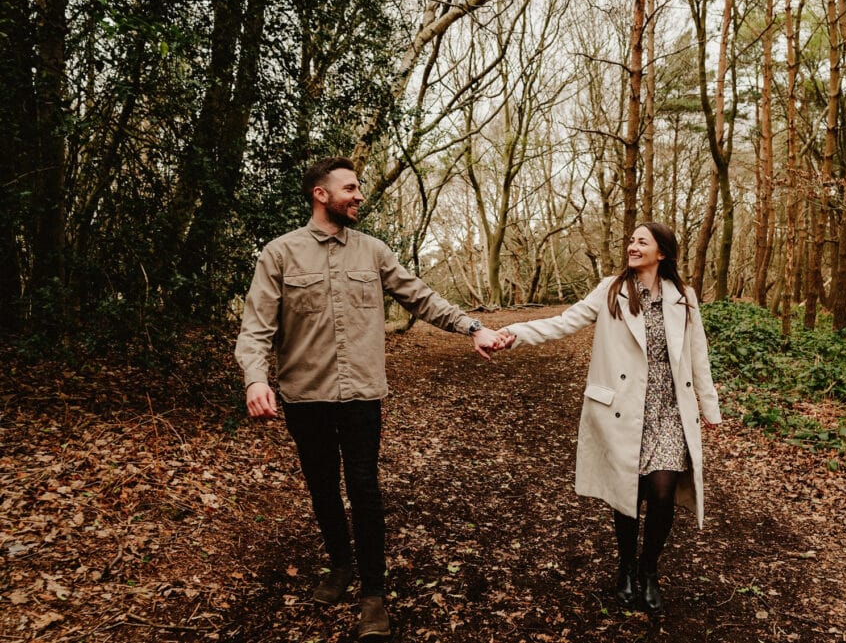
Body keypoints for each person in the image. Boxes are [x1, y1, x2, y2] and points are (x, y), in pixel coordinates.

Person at [235, 156, 505, 639]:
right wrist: (256, 379)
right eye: (350, 188)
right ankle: (340, 566)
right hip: (305, 395)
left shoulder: (373, 251)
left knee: (363, 488)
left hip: (361, 394)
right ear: (321, 194)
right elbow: (256, 326)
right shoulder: (279, 254)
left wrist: (473, 327)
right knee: (321, 486)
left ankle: (373, 594)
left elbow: (420, 297)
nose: (359, 195)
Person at [496, 222, 721, 615]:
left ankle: (650, 570)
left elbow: (697, 352)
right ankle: (627, 568)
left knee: (663, 496)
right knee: (628, 494)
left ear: (662, 253)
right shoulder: (611, 290)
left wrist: (709, 405)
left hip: (668, 410)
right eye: (631, 241)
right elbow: (563, 322)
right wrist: (515, 332)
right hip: (623, 409)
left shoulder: (684, 297)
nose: (632, 247)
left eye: (642, 242)